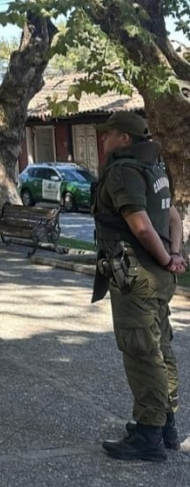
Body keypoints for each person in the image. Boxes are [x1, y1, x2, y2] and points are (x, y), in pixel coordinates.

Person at [90, 111, 184, 462]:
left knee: (142, 354)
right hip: (158, 279)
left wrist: (164, 258)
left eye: (109, 133)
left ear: (125, 139)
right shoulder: (154, 169)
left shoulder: (123, 171)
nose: (104, 139)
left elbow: (141, 226)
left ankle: (148, 435)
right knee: (160, 348)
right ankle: (165, 424)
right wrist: (174, 255)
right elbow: (174, 218)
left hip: (137, 277)